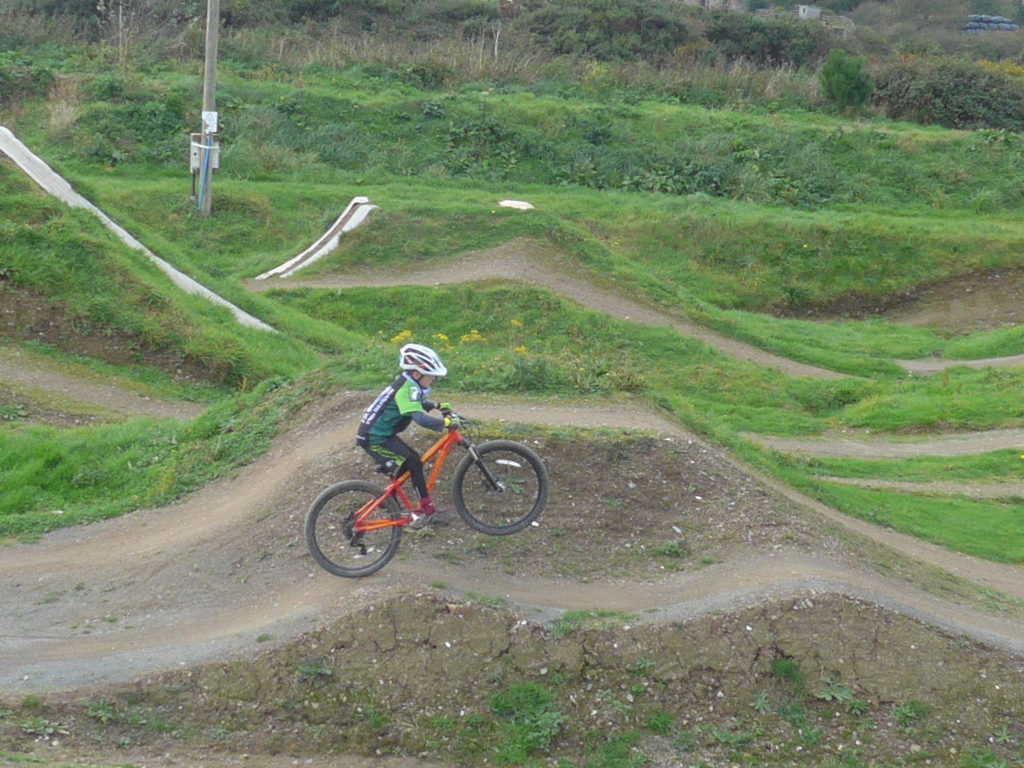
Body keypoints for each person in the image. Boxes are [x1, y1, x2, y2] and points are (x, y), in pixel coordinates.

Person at [356, 342, 460, 529]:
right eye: (431, 376)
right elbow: (420, 418)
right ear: (416, 373)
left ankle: (390, 502)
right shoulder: (406, 388)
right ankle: (426, 511)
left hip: (381, 434)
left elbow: (417, 402)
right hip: (375, 438)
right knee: (413, 462)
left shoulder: (409, 384)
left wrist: (436, 406)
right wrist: (444, 423)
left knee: (410, 462)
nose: (433, 380)